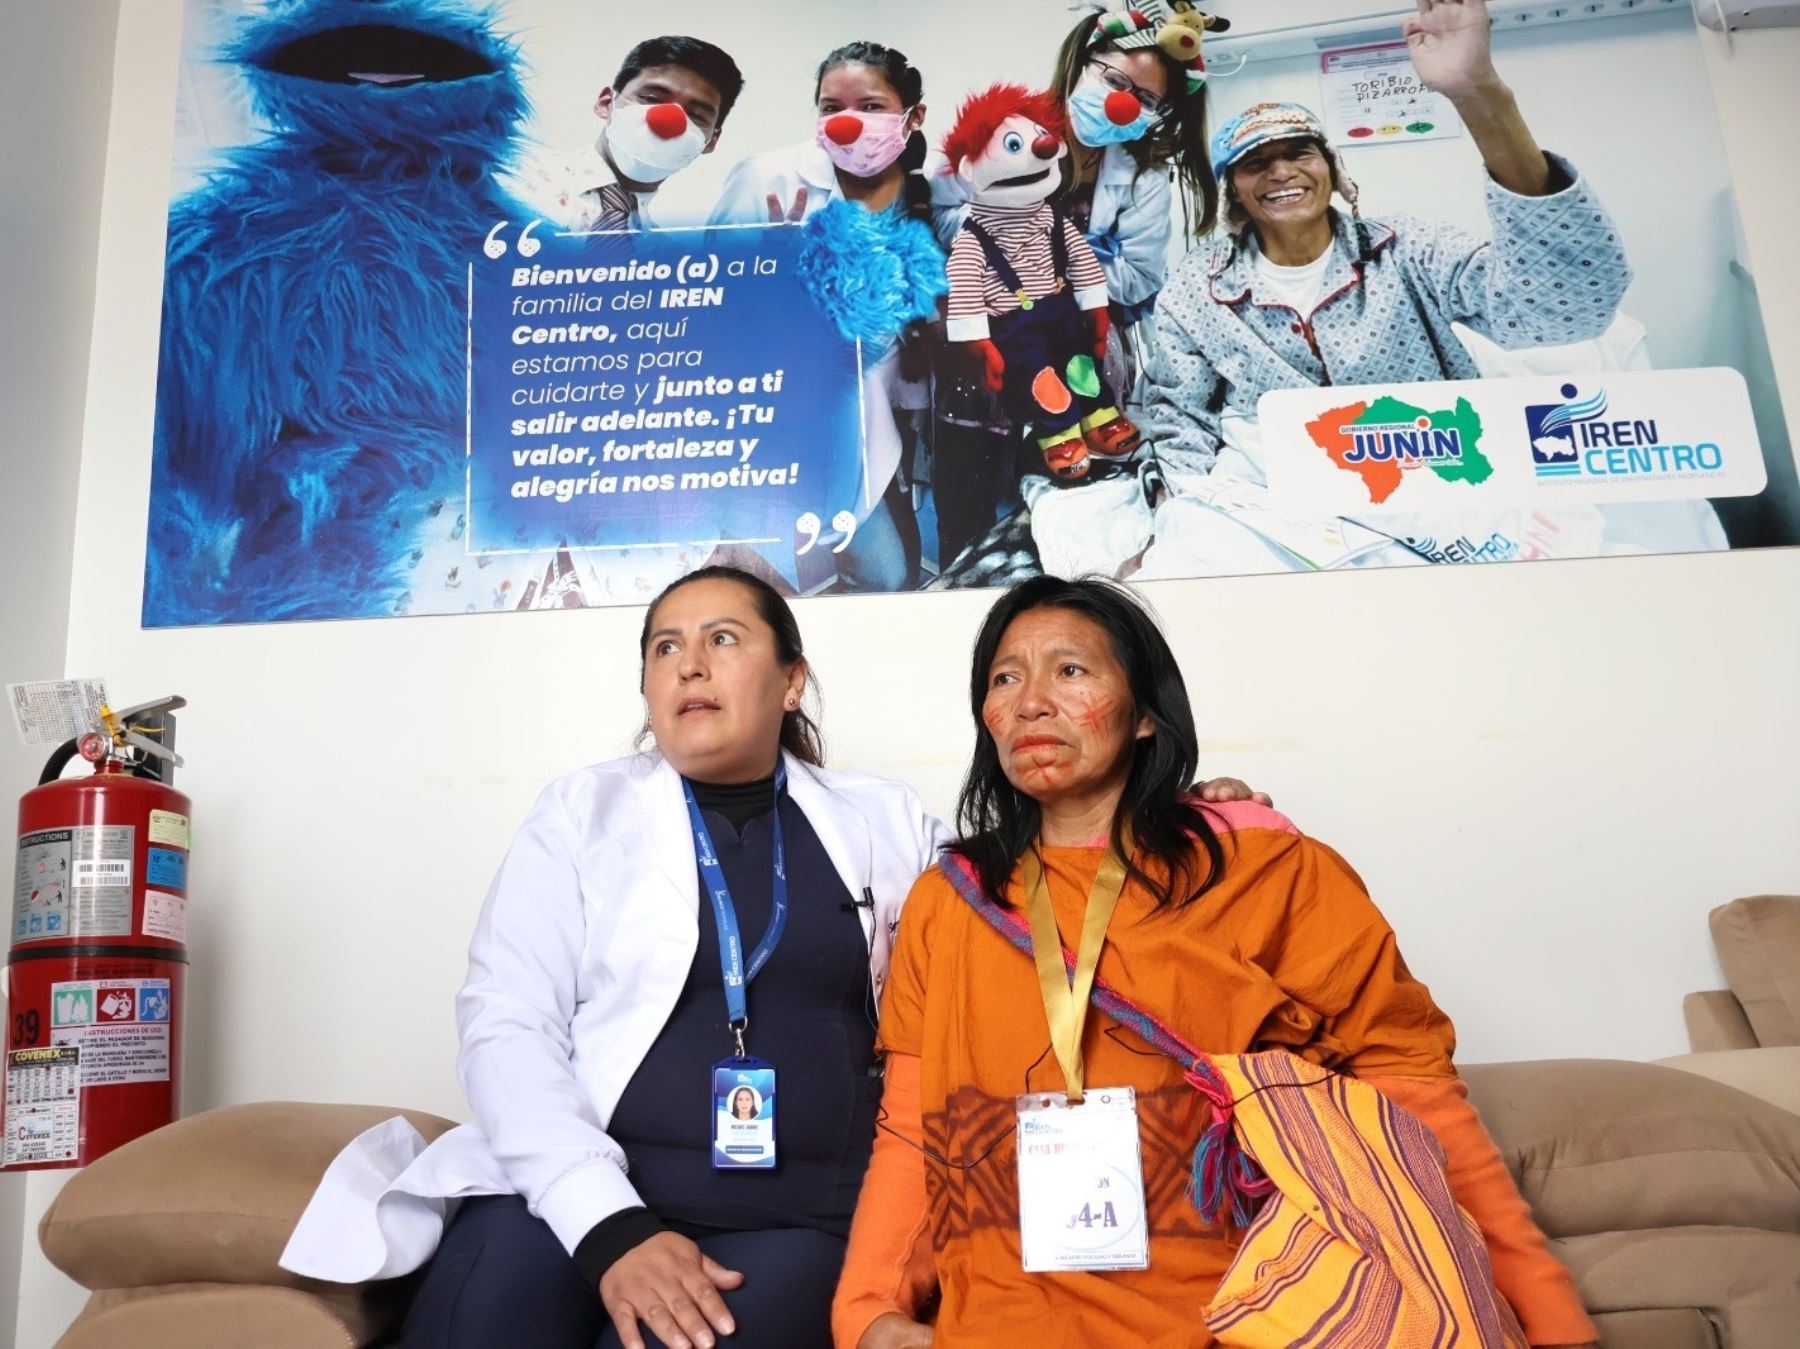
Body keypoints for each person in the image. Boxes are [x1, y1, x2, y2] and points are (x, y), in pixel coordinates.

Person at [276, 563, 1274, 1347]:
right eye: (664, 645)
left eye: (722, 637)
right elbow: (506, 1023)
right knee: (488, 1313)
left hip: (795, 1221)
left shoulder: (884, 820)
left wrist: (1172, 809)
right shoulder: (581, 813)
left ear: (791, 678)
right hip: (576, 1196)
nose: (689, 663)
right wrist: (610, 1227)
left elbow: (1031, 895)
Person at [833, 575, 1600, 1349]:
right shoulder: (950, 902)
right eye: (1006, 677)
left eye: (1071, 670)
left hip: (1248, 1314)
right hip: (1006, 1323)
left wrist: (1552, 1320)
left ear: (1144, 715)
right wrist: (865, 1308)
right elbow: (911, 1128)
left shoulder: (1263, 865)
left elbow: (1413, 1096)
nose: (1032, 700)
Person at [1131, 0, 1716, 575]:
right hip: (1277, 481)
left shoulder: (1408, 250)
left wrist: (1479, 95)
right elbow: (1178, 410)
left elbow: (1558, 310)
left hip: (1428, 464)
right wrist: (1181, 507)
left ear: (1332, 171)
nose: (1281, 171)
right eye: (1256, 163)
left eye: (1299, 153)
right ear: (1234, 189)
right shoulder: (1200, 288)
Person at [929, 0, 1226, 572]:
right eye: (1114, 79)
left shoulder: (1141, 178)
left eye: (1146, 99)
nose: (1122, 102)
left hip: (1075, 364)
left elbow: (1139, 278)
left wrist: (1046, 264)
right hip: (983, 366)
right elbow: (944, 221)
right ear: (1080, 64)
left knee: (1063, 519)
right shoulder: (1000, 134)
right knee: (965, 520)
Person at [709, 44, 940, 592]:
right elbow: (709, 312)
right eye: (830, 106)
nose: (847, 123)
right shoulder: (765, 179)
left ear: (914, 116)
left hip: (879, 422)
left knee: (890, 579)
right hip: (776, 420)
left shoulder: (930, 195)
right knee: (775, 588)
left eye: (870, 105)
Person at [510, 36, 744, 232]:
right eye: (651, 98)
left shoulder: (666, 264)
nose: (670, 121)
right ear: (605, 103)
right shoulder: (505, 174)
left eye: (696, 115)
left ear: (711, 141)